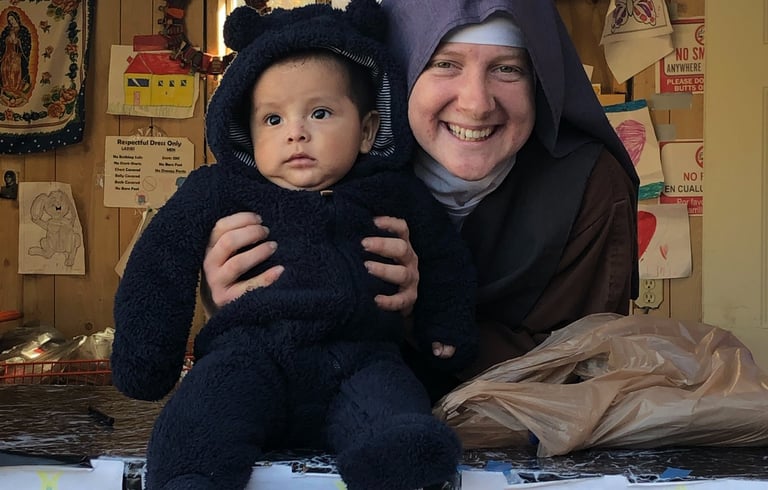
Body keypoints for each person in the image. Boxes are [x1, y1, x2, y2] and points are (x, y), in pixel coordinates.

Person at [111, 1, 476, 489]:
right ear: (246, 129)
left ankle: (400, 471)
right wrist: (146, 351)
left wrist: (444, 331)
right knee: (199, 420)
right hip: (248, 353)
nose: (296, 132)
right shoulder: (217, 190)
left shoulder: (393, 192)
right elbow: (160, 261)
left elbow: (445, 260)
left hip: (362, 357)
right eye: (272, 120)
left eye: (320, 112)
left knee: (395, 415)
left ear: (367, 130)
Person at [202, 0, 640, 402]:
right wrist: (229, 289)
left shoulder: (590, 187)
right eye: (444, 64)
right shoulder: (329, 157)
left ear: (541, 81)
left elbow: (577, 366)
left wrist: (413, 317)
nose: (475, 104)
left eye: (508, 69)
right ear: (404, 71)